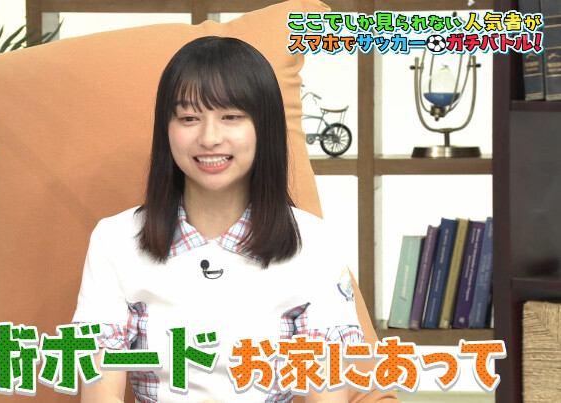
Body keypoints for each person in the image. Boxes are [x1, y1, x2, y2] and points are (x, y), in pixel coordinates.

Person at [73, 36, 363, 403]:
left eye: (231, 117)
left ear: (265, 128)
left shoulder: (314, 243)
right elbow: (100, 394)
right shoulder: (114, 240)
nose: (209, 138)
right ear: (166, 129)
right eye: (189, 118)